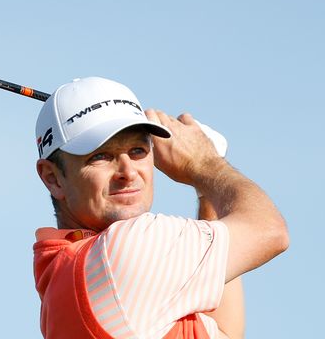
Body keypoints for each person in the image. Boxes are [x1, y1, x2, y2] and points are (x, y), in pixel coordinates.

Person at [32, 77, 289, 339]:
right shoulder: (123, 249)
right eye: (100, 156)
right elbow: (270, 230)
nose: (128, 171)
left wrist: (206, 188)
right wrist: (205, 163)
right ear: (52, 177)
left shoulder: (59, 275)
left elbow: (223, 332)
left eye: (138, 150)